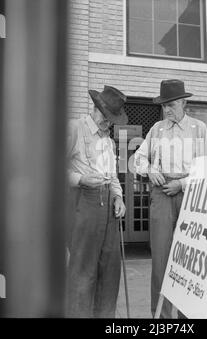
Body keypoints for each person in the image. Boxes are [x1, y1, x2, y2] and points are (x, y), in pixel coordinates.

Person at [134, 79, 207, 318]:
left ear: (184, 103)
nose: (168, 109)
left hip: (190, 194)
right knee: (160, 259)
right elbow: (137, 159)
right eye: (164, 105)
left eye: (172, 104)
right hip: (161, 194)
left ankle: (187, 317)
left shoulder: (199, 129)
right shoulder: (156, 129)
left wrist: (182, 183)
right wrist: (150, 170)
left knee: (189, 260)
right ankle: (161, 318)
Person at [66, 86, 127, 318]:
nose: (108, 124)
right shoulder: (74, 128)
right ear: (96, 109)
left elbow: (113, 176)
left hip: (108, 206)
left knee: (110, 269)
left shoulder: (109, 142)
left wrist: (119, 197)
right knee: (84, 269)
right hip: (83, 202)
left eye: (112, 120)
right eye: (107, 117)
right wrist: (81, 179)